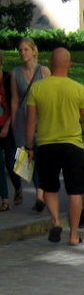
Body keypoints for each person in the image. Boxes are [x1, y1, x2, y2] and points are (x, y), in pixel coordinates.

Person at [24, 47, 84, 245]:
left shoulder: (38, 88)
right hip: (72, 145)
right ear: (70, 65)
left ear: (50, 63)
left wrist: (29, 147)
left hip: (47, 144)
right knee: (75, 191)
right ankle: (74, 234)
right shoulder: (78, 89)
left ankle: (56, 220)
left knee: (49, 187)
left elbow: (30, 122)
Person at [10, 37, 50, 209]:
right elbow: (15, 100)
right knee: (27, 158)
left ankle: (40, 194)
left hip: (41, 117)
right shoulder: (15, 73)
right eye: (20, 50)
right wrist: (12, 123)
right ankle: (38, 191)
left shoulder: (44, 71)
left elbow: (49, 97)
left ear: (34, 51)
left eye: (26, 49)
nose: (22, 53)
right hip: (22, 119)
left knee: (41, 155)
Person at [0, 54, 20, 211]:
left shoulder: (8, 78)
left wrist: (7, 125)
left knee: (10, 162)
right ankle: (5, 199)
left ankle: (18, 187)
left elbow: (15, 103)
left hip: (8, 125)